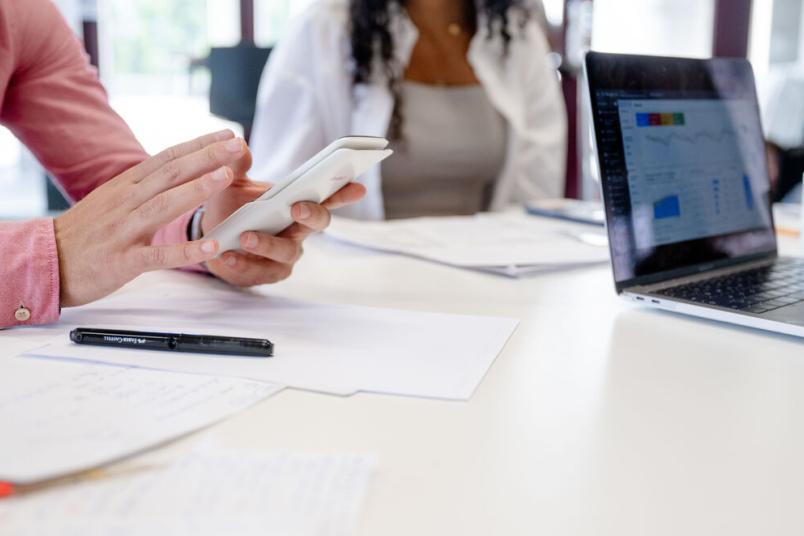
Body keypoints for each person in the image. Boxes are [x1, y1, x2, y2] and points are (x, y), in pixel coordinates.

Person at [0, 0, 365, 329]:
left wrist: (205, 231)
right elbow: (73, 242)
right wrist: (46, 259)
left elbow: (115, 185)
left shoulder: (24, 12)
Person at [249, 0, 567, 220]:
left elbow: (536, 197)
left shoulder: (518, 34)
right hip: (356, 281)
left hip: (488, 279)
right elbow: (277, 194)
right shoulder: (323, 27)